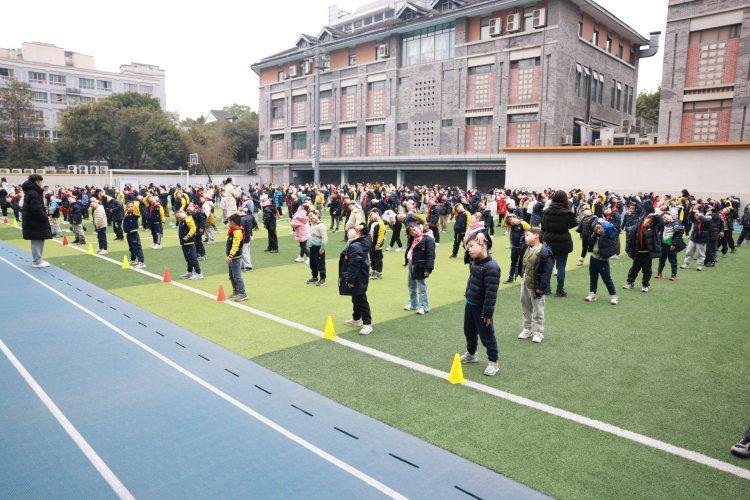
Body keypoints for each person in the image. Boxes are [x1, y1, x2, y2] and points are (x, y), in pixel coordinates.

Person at [460, 230, 500, 376]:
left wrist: (487, 314)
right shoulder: (475, 260)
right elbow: (467, 255)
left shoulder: (492, 267)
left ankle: (493, 362)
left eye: (471, 246)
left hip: (482, 308)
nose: (469, 249)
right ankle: (472, 354)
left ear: (483, 244)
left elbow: (491, 294)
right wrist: (471, 238)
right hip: (470, 304)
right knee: (469, 331)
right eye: (467, 247)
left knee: (487, 335)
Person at [517, 228, 554, 343]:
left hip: (536, 285)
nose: (525, 238)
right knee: (525, 306)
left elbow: (547, 272)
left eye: (527, 235)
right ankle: (527, 329)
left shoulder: (545, 251)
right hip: (525, 282)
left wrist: (541, 288)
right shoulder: (526, 247)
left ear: (536, 236)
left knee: (538, 309)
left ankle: (538, 332)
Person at [541, 190, 577, 297]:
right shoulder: (567, 212)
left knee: (548, 266)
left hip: (548, 241)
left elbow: (543, 227)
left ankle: (546, 289)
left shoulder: (546, 212)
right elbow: (573, 224)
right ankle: (559, 290)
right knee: (561, 267)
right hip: (563, 241)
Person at [339, 225, 373, 335]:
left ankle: (367, 324)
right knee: (356, 298)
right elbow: (368, 235)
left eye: (350, 231)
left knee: (361, 299)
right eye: (348, 232)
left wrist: (350, 280)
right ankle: (356, 319)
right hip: (360, 275)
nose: (348, 233)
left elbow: (354, 264)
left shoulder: (355, 245)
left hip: (358, 276)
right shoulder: (362, 242)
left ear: (357, 233)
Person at [624, 214, 663, 293]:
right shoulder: (636, 227)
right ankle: (630, 282)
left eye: (650, 223)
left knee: (647, 270)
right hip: (637, 253)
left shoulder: (654, 228)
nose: (648, 224)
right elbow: (629, 239)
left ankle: (645, 285)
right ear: (644, 219)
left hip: (648, 254)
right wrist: (628, 249)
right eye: (647, 221)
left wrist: (655, 215)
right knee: (634, 269)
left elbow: (661, 223)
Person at [584, 219, 620, 305]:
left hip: (603, 260)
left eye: (599, 228)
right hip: (593, 258)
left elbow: (614, 229)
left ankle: (614, 296)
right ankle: (592, 294)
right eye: (596, 229)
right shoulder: (594, 235)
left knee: (606, 278)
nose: (598, 230)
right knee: (593, 277)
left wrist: (603, 221)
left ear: (603, 227)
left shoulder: (608, 234)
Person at [20, 174, 52, 268]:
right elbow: (36, 209)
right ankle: (37, 261)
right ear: (37, 181)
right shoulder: (33, 193)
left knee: (38, 239)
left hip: (32, 221)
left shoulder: (30, 192)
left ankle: (38, 260)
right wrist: (45, 217)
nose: (41, 183)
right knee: (37, 240)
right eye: (41, 181)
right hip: (35, 221)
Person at [404, 222, 435, 315]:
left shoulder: (428, 239)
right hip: (411, 263)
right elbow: (409, 250)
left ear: (419, 227)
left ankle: (424, 306)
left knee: (421, 287)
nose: (414, 233)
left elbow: (431, 255)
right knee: (411, 285)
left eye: (414, 229)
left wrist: (428, 269)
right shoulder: (412, 238)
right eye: (411, 232)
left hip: (420, 265)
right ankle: (413, 303)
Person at [655, 214, 685, 281]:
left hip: (671, 246)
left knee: (673, 261)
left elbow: (678, 235)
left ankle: (674, 275)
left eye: (665, 217)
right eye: (663, 218)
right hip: (663, 245)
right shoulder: (663, 224)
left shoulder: (676, 224)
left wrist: (674, 244)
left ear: (670, 216)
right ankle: (659, 273)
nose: (664, 219)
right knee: (661, 260)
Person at [225, 214, 248, 302]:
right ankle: (236, 290)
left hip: (235, 257)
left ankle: (243, 293)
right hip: (231, 257)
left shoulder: (237, 232)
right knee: (231, 276)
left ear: (233, 222)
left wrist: (230, 256)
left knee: (237, 276)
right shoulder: (232, 230)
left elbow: (236, 245)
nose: (228, 223)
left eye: (229, 222)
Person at [502, 213, 530, 283]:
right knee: (513, 263)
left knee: (524, 263)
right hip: (514, 247)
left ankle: (525, 279)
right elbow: (504, 224)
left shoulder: (523, 223)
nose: (510, 221)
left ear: (515, 217)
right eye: (509, 221)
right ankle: (511, 278)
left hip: (522, 248)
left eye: (511, 219)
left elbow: (530, 232)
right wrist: (507, 216)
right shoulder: (512, 225)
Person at [682, 207, 711, 271]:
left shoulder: (707, 219)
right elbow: (689, 218)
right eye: (696, 215)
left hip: (702, 239)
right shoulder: (695, 220)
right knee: (689, 252)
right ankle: (685, 264)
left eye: (698, 215)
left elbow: (707, 221)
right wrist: (692, 212)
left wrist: (700, 216)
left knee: (701, 253)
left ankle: (699, 265)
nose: (696, 216)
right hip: (693, 238)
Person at [176, 210, 202, 280]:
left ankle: (199, 273)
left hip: (189, 243)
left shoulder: (188, 219)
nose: (178, 218)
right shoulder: (182, 221)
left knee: (193, 258)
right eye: (177, 217)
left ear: (183, 213)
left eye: (179, 215)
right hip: (184, 243)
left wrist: (188, 236)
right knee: (188, 259)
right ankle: (189, 272)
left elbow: (193, 229)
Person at [307, 210, 328, 285]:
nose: (310, 217)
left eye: (312, 215)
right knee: (312, 263)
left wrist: (322, 248)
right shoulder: (312, 224)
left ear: (317, 215)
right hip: (312, 247)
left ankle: (323, 279)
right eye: (309, 216)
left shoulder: (321, 226)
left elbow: (325, 238)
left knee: (320, 263)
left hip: (319, 248)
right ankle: (314, 277)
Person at [123, 202, 145, 269]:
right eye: (129, 206)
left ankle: (141, 262)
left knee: (137, 248)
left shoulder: (135, 214)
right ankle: (133, 260)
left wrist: (134, 206)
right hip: (128, 234)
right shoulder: (126, 214)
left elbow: (136, 207)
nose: (130, 208)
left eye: (132, 206)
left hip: (134, 233)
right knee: (132, 248)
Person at [368, 209, 386, 279]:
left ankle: (378, 273)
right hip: (371, 243)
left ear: (377, 214)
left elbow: (381, 235)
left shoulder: (380, 224)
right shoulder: (371, 222)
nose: (370, 216)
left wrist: (378, 244)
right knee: (372, 257)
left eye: (372, 214)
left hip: (376, 244)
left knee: (378, 259)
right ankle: (373, 271)